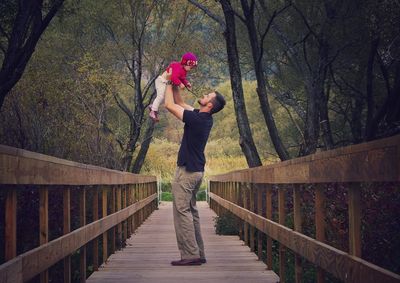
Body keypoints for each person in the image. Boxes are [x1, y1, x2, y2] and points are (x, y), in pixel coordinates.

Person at [164, 72, 226, 266]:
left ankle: (190, 255)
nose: (204, 95)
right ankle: (198, 253)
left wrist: (166, 81)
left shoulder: (197, 120)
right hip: (196, 171)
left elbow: (169, 105)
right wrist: (175, 83)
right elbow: (180, 102)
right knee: (191, 211)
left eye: (208, 96)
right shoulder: (202, 117)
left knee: (181, 211)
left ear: (209, 105)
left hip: (188, 172)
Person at [149, 52, 198, 122]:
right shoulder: (177, 67)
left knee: (164, 97)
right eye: (191, 67)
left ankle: (153, 106)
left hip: (167, 83)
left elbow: (182, 78)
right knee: (161, 96)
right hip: (162, 81)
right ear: (186, 63)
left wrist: (186, 83)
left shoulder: (184, 71)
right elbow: (173, 77)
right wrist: (180, 84)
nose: (191, 69)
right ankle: (153, 111)